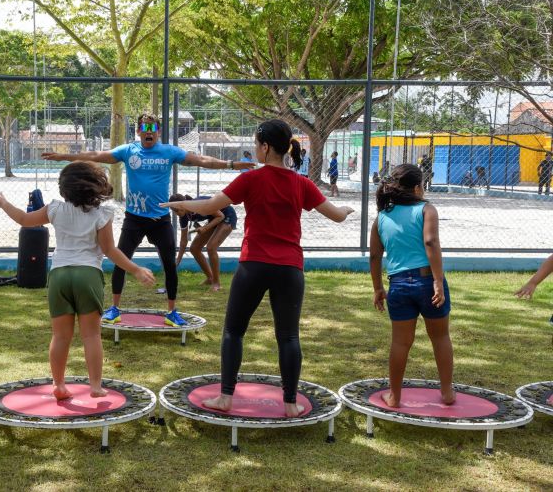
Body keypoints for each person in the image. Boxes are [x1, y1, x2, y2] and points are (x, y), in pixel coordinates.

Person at [162, 120, 355, 417]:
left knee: (234, 331)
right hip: (290, 269)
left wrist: (178, 205)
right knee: (288, 337)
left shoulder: (251, 179)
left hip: (254, 265)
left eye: (255, 144)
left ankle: (225, 398)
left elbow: (210, 205)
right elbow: (337, 216)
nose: (255, 149)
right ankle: (290, 404)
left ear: (265, 147)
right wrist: (347, 210)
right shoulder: (302, 183)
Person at [41, 113, 252, 328]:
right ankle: (114, 309)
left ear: (158, 132)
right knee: (120, 261)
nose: (149, 132)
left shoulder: (169, 152)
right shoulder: (128, 151)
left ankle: (172, 312)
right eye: (145, 128)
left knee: (170, 265)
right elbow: (96, 155)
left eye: (153, 128)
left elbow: (201, 160)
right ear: (138, 131)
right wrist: (64, 157)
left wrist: (230, 164)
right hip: (134, 219)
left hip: (160, 220)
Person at [0, 162, 155, 399]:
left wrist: (4, 203)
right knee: (91, 335)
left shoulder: (55, 209)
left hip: (59, 276)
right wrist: (135, 269)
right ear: (96, 186)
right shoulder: (102, 214)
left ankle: (59, 385)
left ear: (65, 189)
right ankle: (95, 386)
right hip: (88, 275)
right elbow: (109, 250)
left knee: (60, 336)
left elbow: (24, 219)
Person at [369, 163, 455, 408]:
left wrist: (378, 288)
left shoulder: (381, 218)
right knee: (440, 337)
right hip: (428, 282)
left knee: (400, 342)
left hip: (398, 285)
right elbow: (431, 242)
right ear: (418, 188)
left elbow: (374, 256)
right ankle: (447, 393)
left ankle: (394, 397)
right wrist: (438, 280)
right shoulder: (427, 209)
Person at [169, 193, 237, 292]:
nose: (177, 213)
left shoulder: (198, 205)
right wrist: (178, 260)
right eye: (174, 211)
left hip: (226, 215)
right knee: (194, 248)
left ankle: (216, 283)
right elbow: (183, 240)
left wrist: (205, 228)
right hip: (214, 218)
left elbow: (220, 216)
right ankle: (210, 278)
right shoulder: (183, 216)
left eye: (177, 209)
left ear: (183, 204)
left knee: (211, 247)